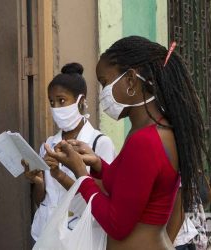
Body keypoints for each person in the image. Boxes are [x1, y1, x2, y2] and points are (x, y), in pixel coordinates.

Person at [45, 36, 209, 250]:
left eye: (104, 82)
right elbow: (129, 186)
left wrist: (81, 174)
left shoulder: (145, 141)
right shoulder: (155, 130)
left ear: (130, 80)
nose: (103, 93)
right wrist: (96, 163)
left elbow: (117, 224)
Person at [22, 63, 116, 242]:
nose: (56, 108)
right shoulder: (49, 144)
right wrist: (38, 182)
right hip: (45, 234)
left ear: (81, 101)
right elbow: (41, 200)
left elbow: (102, 199)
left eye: (61, 100)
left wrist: (61, 175)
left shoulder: (99, 143)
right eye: (51, 102)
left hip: (79, 236)